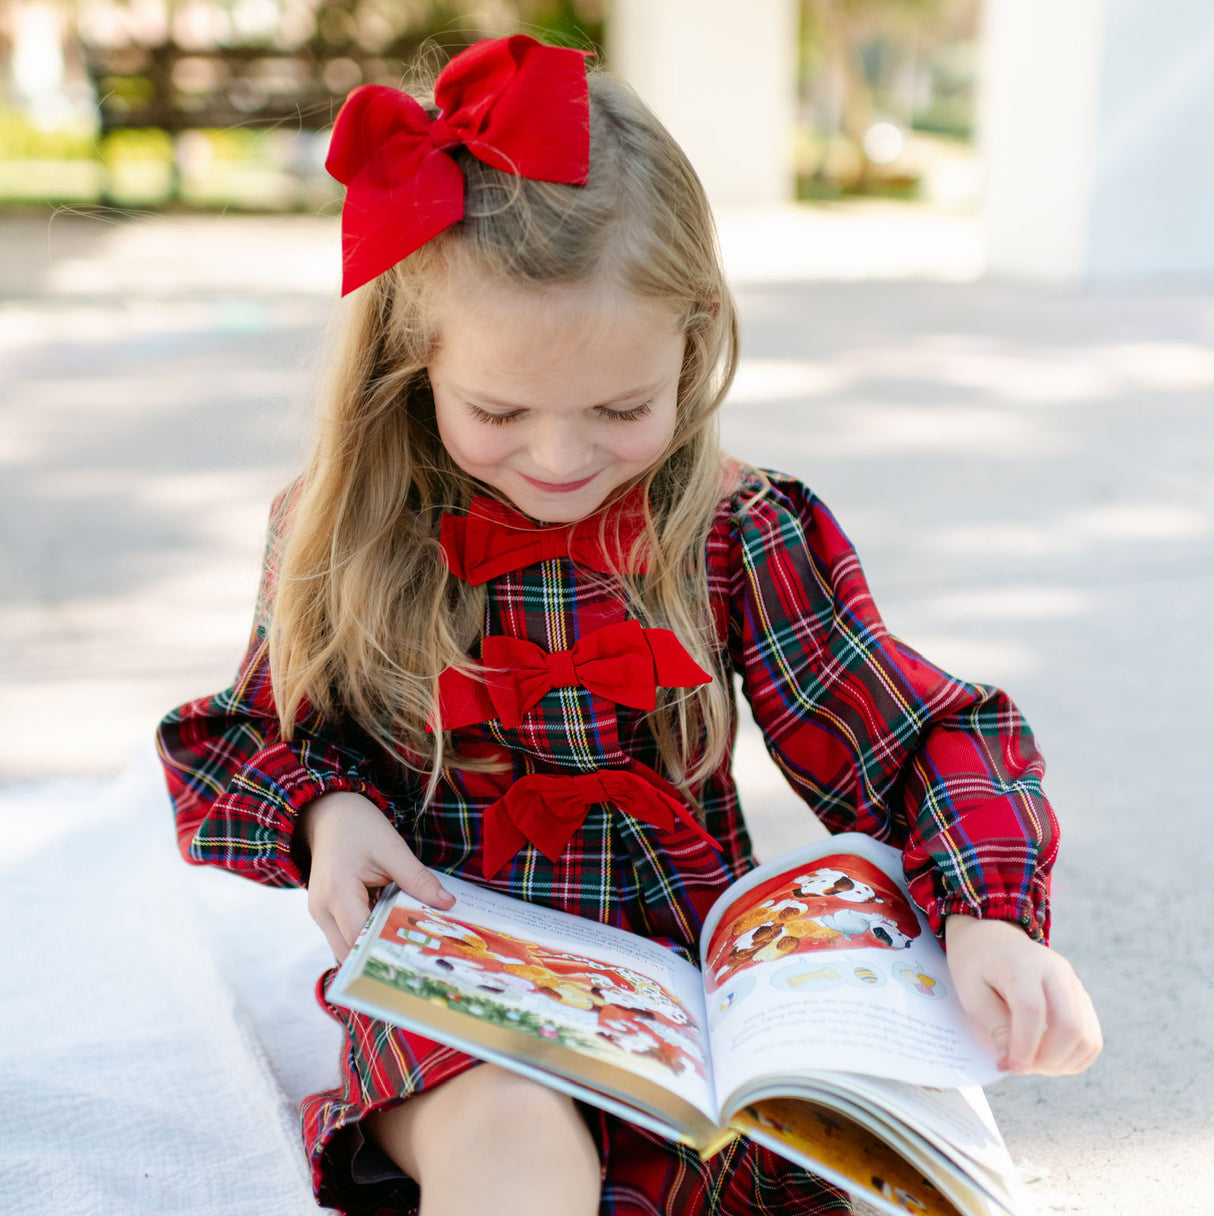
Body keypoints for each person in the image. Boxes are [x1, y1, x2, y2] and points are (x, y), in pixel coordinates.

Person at [157, 34, 1101, 1216]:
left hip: (686, 1000)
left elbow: (916, 736)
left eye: (620, 406)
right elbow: (242, 739)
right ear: (415, 360)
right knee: (511, 1138)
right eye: (497, 409)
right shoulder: (346, 533)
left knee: (730, 1168)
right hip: (464, 1001)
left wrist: (990, 921)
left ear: (693, 338)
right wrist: (329, 813)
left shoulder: (737, 530)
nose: (560, 458)